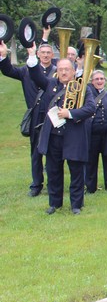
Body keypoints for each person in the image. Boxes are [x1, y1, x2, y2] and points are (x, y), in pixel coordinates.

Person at [26, 45, 95, 215]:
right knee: (53, 171)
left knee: (76, 172)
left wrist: (70, 113)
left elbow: (90, 108)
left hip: (74, 136)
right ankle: (54, 203)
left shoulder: (82, 87)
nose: (64, 72)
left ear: (73, 71)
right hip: (54, 136)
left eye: (67, 69)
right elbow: (35, 75)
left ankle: (76, 205)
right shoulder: (50, 84)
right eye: (61, 69)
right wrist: (32, 55)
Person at [0, 32, 56, 196]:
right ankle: (36, 185)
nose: (45, 55)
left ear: (52, 55)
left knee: (53, 152)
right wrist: (3, 56)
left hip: (53, 115)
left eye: (48, 53)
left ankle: (53, 184)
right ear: (38, 54)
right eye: (43, 52)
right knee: (35, 152)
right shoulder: (26, 70)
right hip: (35, 116)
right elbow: (8, 71)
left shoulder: (57, 72)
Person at [86, 70, 107, 193]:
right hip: (92, 133)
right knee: (91, 161)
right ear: (92, 81)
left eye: (101, 79)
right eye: (97, 79)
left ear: (105, 81)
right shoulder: (88, 94)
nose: (99, 81)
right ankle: (90, 188)